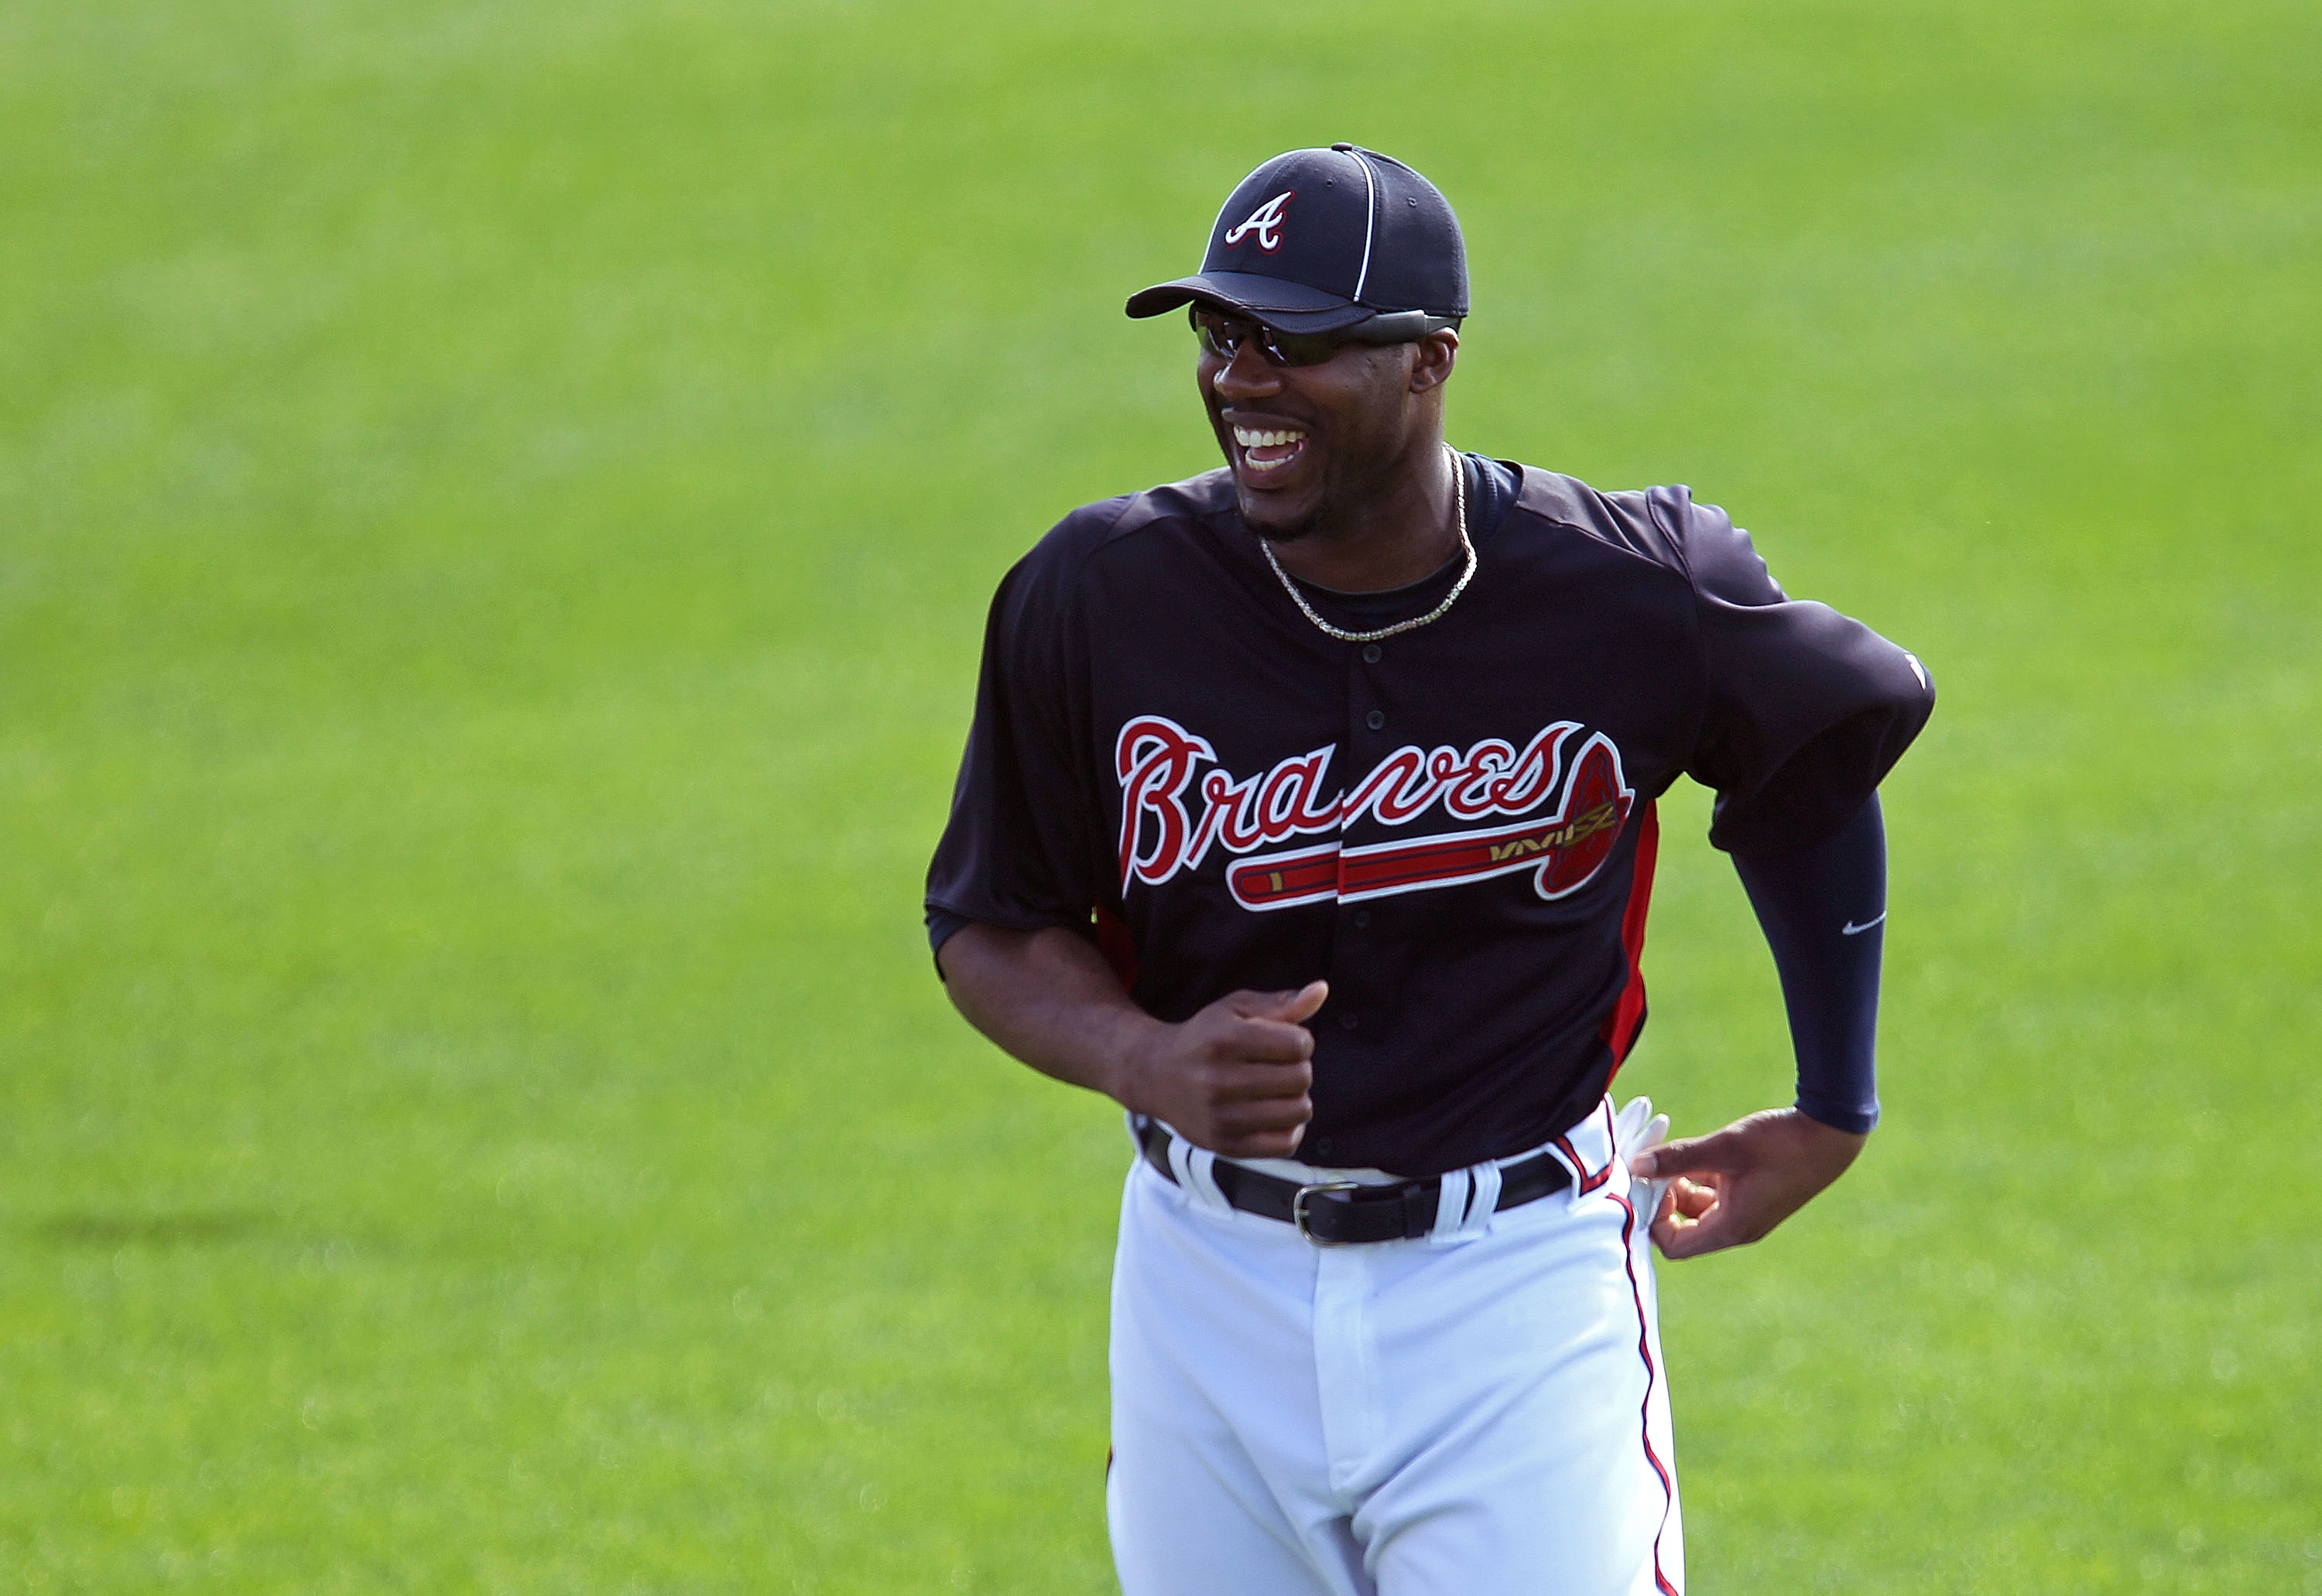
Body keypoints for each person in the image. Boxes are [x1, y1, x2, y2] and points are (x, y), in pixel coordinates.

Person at [923, 143, 1933, 1595]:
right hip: (1204, 1290)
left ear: (1429, 361)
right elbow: (988, 919)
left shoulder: (1634, 589)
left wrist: (1836, 1099)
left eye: (1299, 343)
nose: (1244, 380)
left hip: (1515, 1295)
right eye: (1222, 333)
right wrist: (1140, 1056)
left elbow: (1817, 756)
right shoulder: (1100, 596)